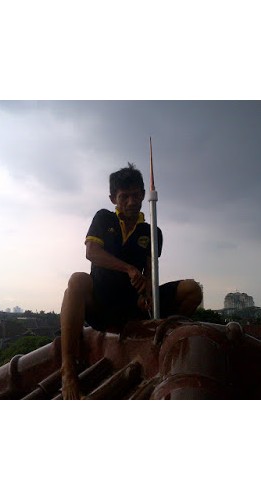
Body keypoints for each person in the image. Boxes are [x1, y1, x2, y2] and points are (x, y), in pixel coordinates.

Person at [60, 163, 202, 399]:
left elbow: (150, 271)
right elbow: (92, 252)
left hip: (133, 306)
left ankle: (157, 342)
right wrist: (128, 268)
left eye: (136, 195)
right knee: (77, 281)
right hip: (103, 304)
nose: (131, 201)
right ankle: (68, 370)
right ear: (113, 198)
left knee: (192, 290)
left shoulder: (152, 232)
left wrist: (147, 291)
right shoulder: (104, 219)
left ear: (144, 194)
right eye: (124, 197)